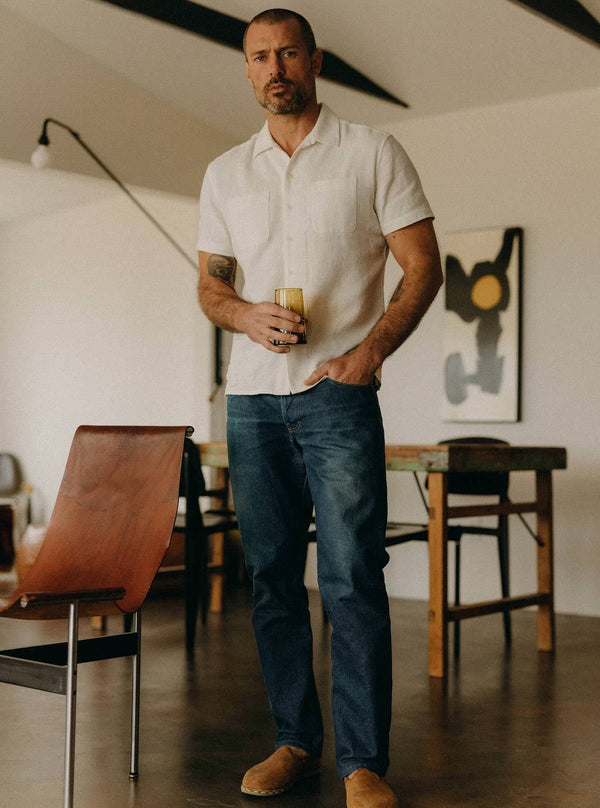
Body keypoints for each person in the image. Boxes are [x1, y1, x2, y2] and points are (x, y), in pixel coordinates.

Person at [196, 9, 443, 807]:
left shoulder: (374, 152)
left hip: (337, 399)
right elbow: (210, 285)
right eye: (261, 57)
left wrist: (367, 355)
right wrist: (243, 314)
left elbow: (423, 267)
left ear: (315, 59)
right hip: (253, 406)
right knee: (269, 577)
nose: (276, 68)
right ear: (246, 70)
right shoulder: (224, 172)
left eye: (289, 53)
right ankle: (295, 741)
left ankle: (363, 763)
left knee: (350, 578)